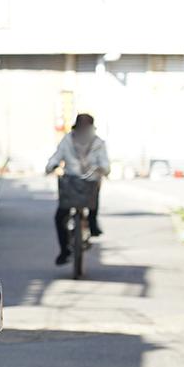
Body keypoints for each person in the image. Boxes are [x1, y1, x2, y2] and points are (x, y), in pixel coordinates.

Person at [45, 113, 110, 265]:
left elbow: (105, 163)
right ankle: (64, 250)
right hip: (71, 181)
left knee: (93, 195)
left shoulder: (98, 143)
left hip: (90, 181)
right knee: (60, 217)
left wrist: (103, 169)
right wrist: (51, 166)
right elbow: (57, 156)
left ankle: (92, 222)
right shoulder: (67, 140)